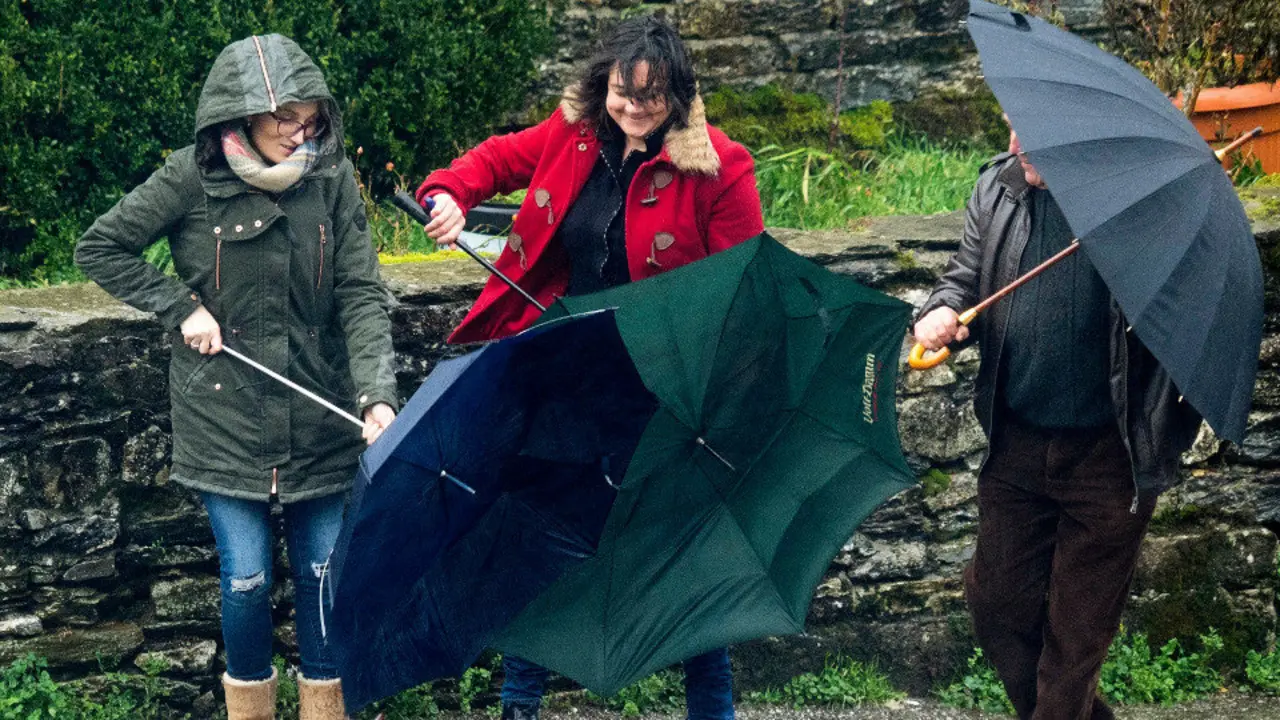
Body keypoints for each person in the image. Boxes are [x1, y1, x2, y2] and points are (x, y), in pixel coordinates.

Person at [415, 16, 763, 720]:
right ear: (602, 83)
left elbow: (744, 293)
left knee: (692, 567)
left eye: (652, 96)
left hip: (666, 394)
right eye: (621, 92)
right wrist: (449, 194)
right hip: (564, 379)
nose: (634, 108)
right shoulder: (572, 135)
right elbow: (493, 161)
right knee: (538, 548)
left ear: (679, 95)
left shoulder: (720, 168)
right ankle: (519, 708)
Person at [75, 34, 398, 720]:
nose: (299, 132)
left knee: (321, 575)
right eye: (284, 118)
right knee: (246, 578)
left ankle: (325, 709)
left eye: (309, 117)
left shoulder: (332, 179)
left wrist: (376, 396)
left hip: (319, 418)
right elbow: (99, 246)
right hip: (221, 418)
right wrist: (180, 306)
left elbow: (361, 294)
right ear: (241, 113)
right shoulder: (190, 176)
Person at [912, 122, 1202, 720]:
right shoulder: (999, 189)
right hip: (1017, 445)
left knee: (1073, 647)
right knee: (996, 612)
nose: (1017, 148)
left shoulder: (1139, 208)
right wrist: (939, 311)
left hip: (1109, 457)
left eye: (1035, 137)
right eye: (1015, 129)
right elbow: (963, 276)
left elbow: (1191, 320)